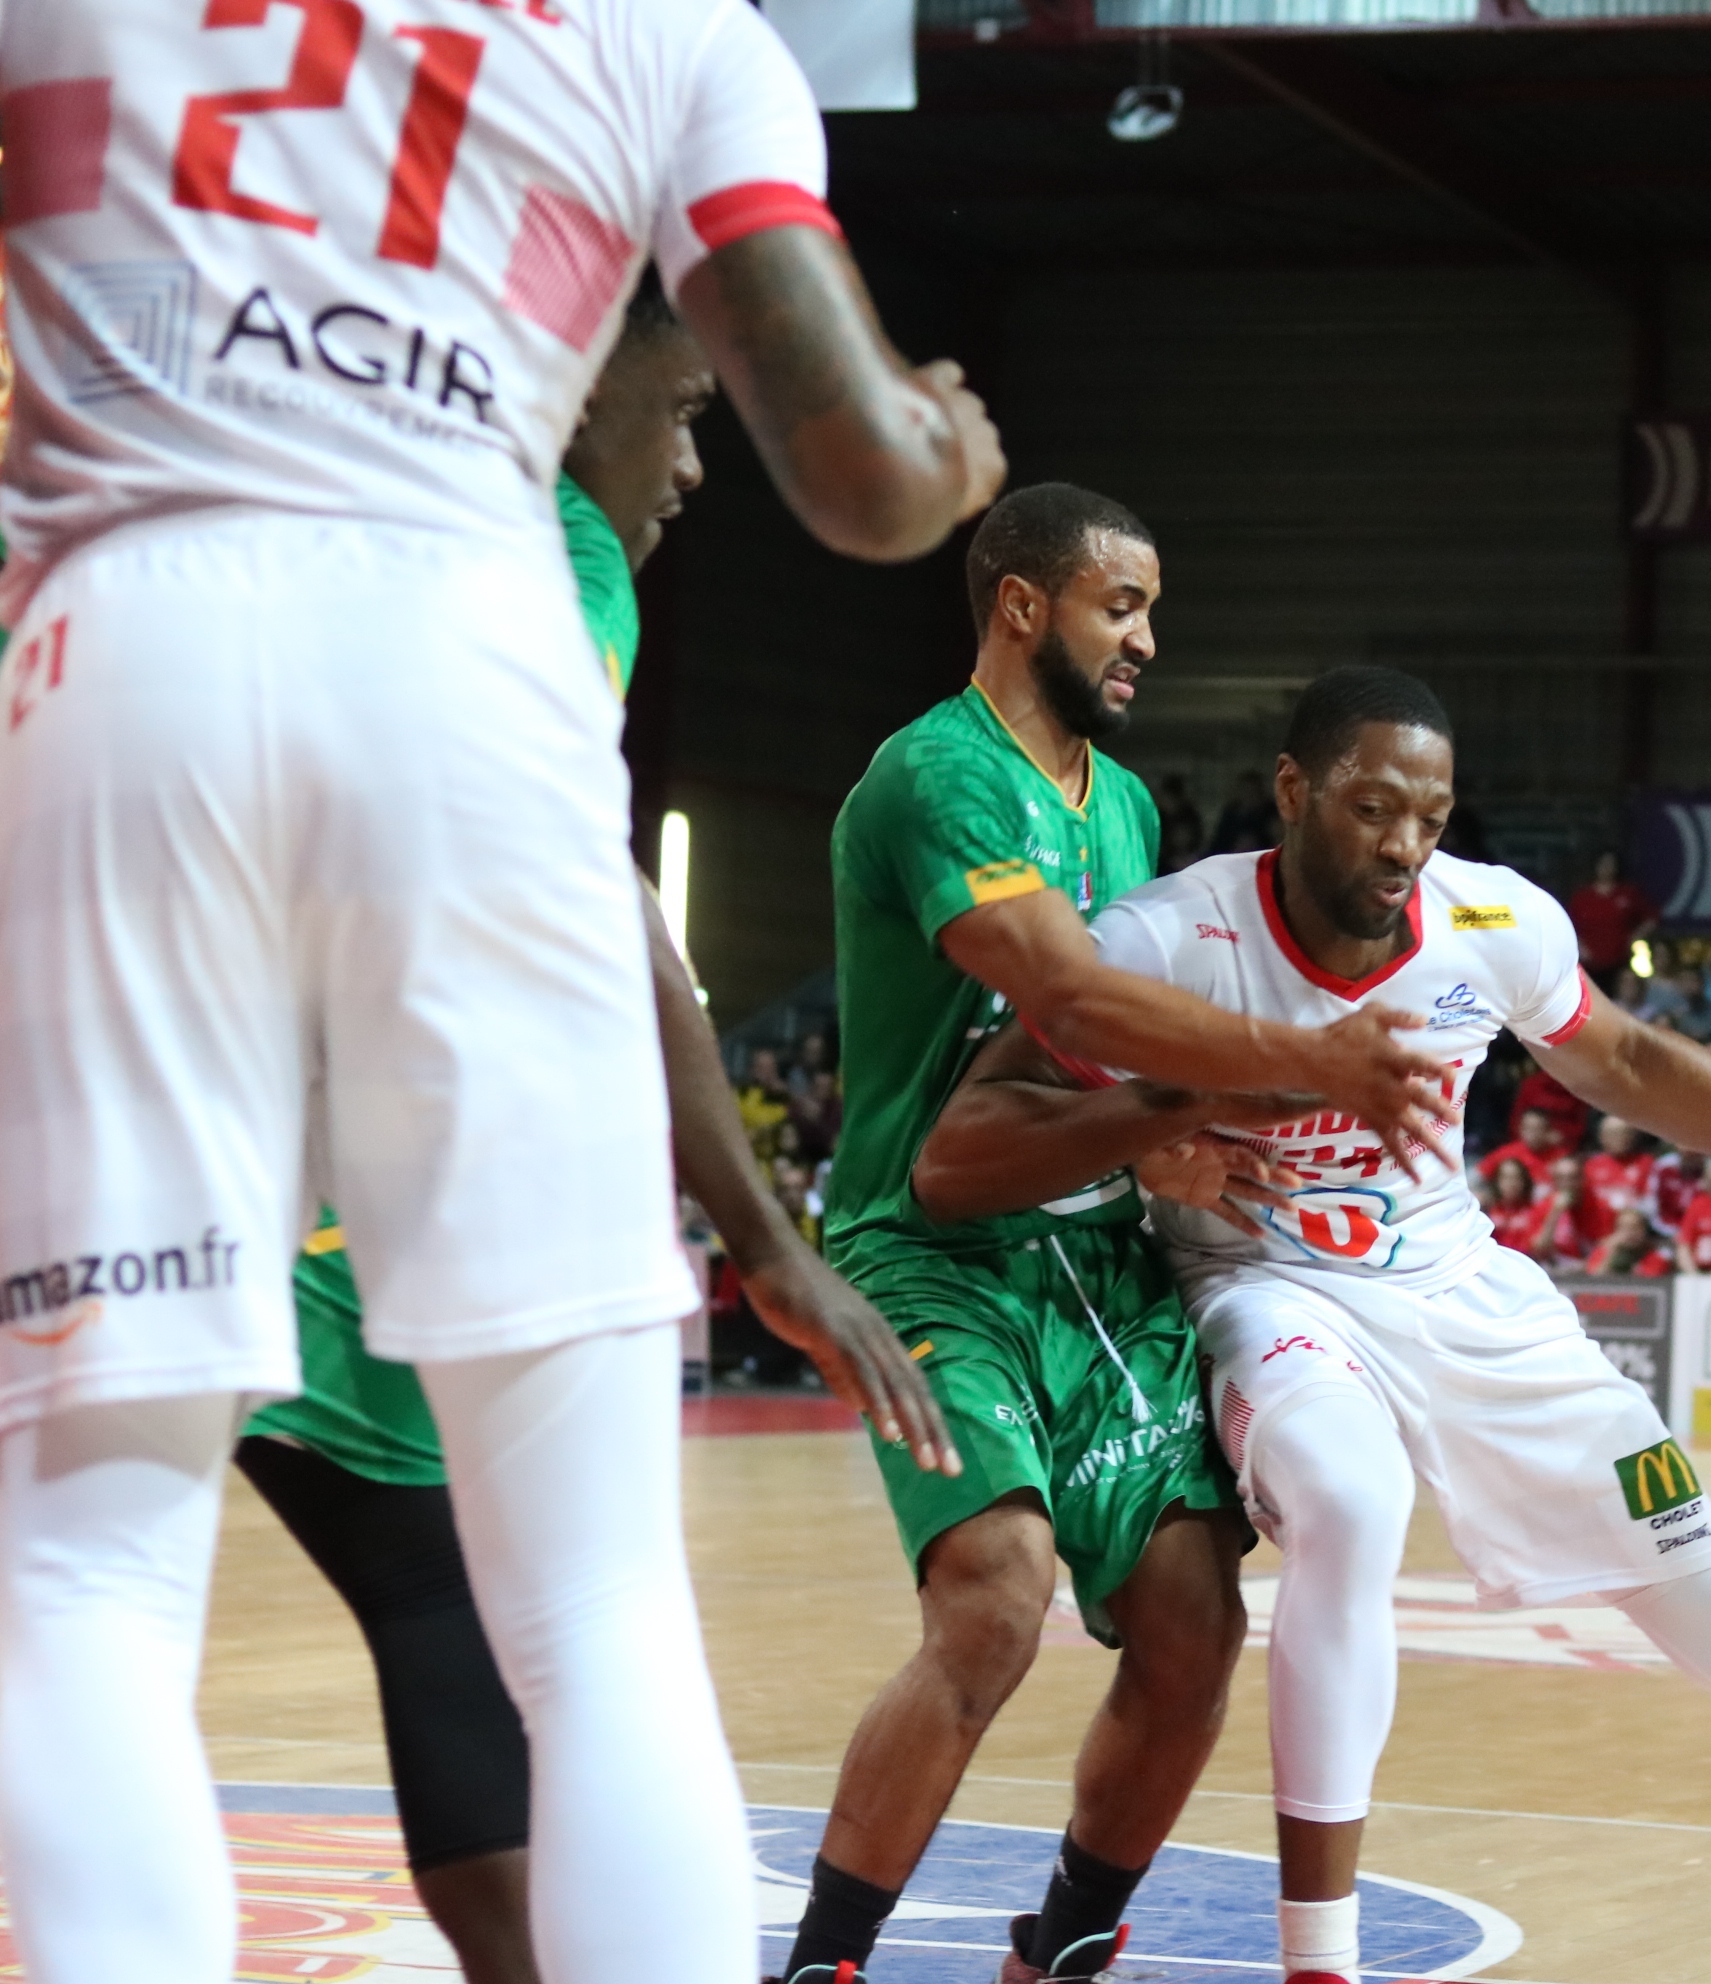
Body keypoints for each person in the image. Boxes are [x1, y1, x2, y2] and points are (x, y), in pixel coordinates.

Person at [0, 2, 1013, 1974]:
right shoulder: (680, 34)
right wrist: (947, 447)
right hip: (459, 648)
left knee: (91, 1576)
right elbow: (870, 482)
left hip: (125, 655)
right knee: (600, 1602)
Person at [914, 669, 1711, 1984]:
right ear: (1296, 793)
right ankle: (1323, 1961)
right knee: (1351, 1503)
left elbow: (1634, 1066)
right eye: (1371, 808)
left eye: (1426, 816)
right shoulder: (1169, 934)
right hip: (1267, 1288)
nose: (1400, 845)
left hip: (1465, 1292)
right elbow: (978, 1138)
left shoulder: (1490, 917)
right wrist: (1149, 1155)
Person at [231, 299, 951, 1984]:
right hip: (400, 1197)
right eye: (680, 409)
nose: (689, 459)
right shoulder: (545, 541)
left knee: (182, 1617)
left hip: (157, 1158)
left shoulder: (210, 521)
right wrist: (770, 1239)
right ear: (560, 405)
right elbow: (587, 879)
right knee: (599, 1641)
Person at [779, 494, 1447, 1984]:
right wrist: (1303, 1062)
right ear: (1022, 606)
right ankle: (823, 1964)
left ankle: (1063, 1951)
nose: (1146, 639)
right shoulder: (936, 776)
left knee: (1197, 1622)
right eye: (1120, 605)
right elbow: (1071, 1002)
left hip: (1102, 1257)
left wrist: (1178, 1146)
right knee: (995, 1597)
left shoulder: (1129, 806)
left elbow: (1111, 1080)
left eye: (1150, 610)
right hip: (928, 1249)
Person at [1567, 850, 1659, 988]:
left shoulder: (1628, 893)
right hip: (1589, 966)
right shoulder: (1582, 897)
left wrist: (1636, 937)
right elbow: (1568, 925)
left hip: (1620, 962)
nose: (1607, 868)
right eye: (1603, 864)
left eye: (1611, 864)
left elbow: (1651, 918)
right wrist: (1579, 945)